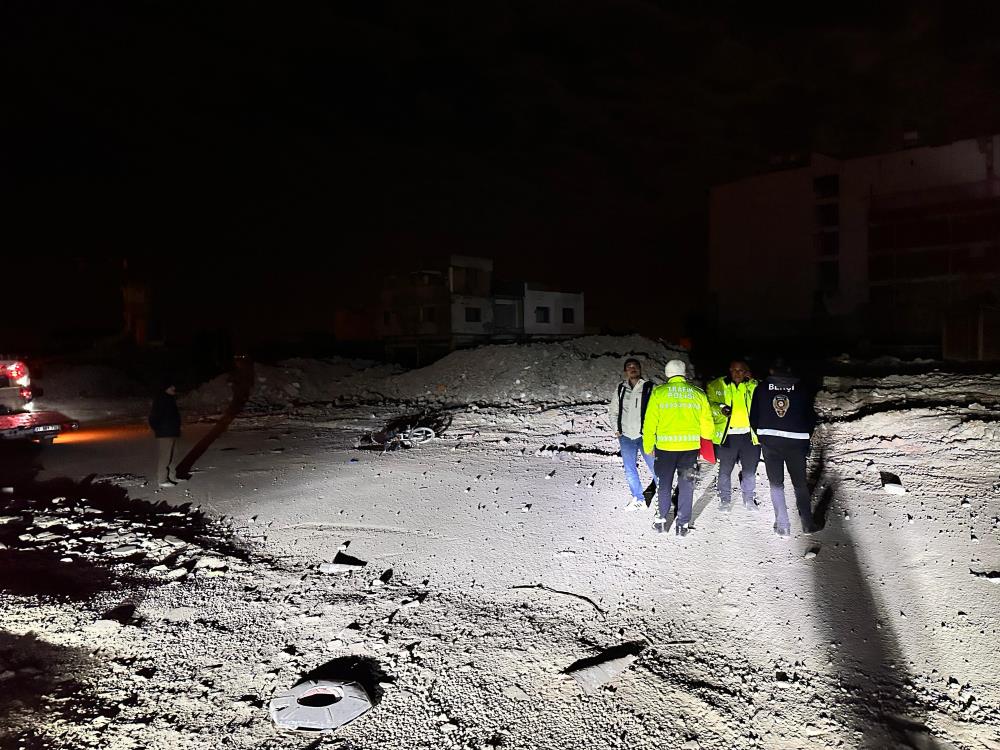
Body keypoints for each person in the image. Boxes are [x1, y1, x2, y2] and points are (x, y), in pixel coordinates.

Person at [642, 359, 716, 536]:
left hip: (665, 450)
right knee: (687, 485)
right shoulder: (697, 393)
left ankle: (661, 521)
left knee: (665, 484)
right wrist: (706, 441)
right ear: (684, 373)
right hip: (689, 450)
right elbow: (708, 427)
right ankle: (682, 525)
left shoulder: (659, 393)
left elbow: (650, 422)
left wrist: (648, 445)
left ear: (667, 374)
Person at [749, 358, 817, 537]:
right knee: (800, 484)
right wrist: (804, 436)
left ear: (771, 370)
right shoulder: (802, 388)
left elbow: (753, 416)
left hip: (770, 442)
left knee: (776, 483)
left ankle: (783, 525)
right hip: (796, 443)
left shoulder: (762, 388)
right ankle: (807, 523)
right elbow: (810, 416)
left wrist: (762, 435)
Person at [707, 360, 760, 511]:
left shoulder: (753, 386)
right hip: (728, 436)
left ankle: (748, 498)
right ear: (729, 370)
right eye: (734, 370)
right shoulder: (718, 385)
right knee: (725, 470)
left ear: (746, 372)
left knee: (750, 470)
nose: (737, 373)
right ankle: (725, 499)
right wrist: (721, 408)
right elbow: (709, 405)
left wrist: (753, 380)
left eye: (741, 370)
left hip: (749, 436)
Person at [608, 358, 656, 510]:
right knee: (629, 469)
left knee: (655, 465)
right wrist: (617, 430)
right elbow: (613, 411)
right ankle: (638, 499)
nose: (632, 368)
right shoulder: (621, 389)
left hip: (645, 436)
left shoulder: (650, 387)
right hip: (626, 436)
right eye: (629, 367)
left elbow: (658, 412)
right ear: (625, 372)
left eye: (635, 366)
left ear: (640, 369)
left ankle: (663, 496)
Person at [149, 379, 182, 489]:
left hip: (173, 432)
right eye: (171, 387)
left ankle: (173, 476)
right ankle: (162, 479)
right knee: (165, 456)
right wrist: (159, 429)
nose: (174, 388)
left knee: (174, 455)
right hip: (165, 433)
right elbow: (153, 418)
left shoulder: (170, 399)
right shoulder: (160, 400)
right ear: (166, 388)